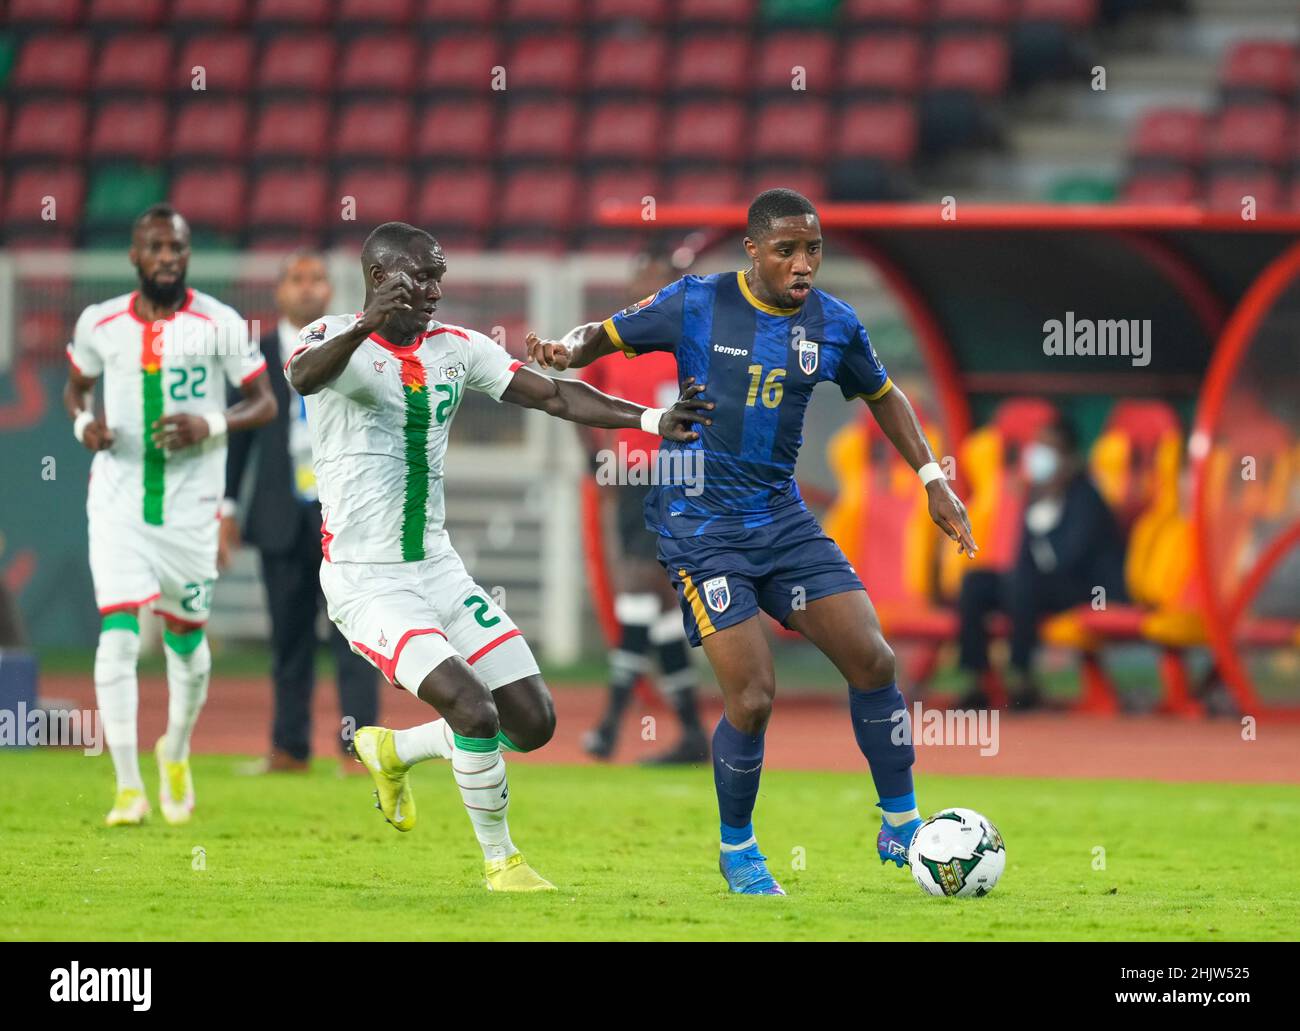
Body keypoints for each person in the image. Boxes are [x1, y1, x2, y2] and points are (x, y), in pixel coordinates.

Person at [526, 188, 978, 895]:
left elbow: (884, 393)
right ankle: (738, 849)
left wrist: (930, 476)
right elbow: (606, 333)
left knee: (874, 658)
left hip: (782, 519)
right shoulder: (697, 301)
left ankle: (901, 823)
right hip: (702, 528)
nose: (804, 265)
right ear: (754, 252)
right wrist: (564, 348)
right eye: (787, 250)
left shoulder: (836, 324)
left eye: (814, 250)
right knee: (754, 696)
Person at [285, 221, 708, 892]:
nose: (433, 290)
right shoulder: (331, 336)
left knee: (532, 720)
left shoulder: (457, 347)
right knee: (473, 708)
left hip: (437, 567)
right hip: (366, 579)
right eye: (418, 277)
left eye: (439, 277)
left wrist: (651, 421)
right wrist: (368, 322)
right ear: (377, 278)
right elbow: (304, 377)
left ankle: (393, 748)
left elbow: (552, 393)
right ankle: (501, 861)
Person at [63, 204, 277, 826]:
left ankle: (175, 750)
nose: (166, 259)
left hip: (190, 507)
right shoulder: (99, 322)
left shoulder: (220, 322)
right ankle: (128, 788)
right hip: (118, 499)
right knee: (118, 635)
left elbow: (262, 402)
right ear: (135, 255)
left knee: (187, 642)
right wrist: (84, 424)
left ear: (187, 255)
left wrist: (209, 423)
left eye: (176, 249)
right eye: (155, 248)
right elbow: (76, 386)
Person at [220, 251, 379, 774]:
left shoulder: (353, 350)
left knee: (355, 638)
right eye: (297, 280)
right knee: (288, 639)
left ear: (330, 292)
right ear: (279, 291)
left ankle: (359, 750)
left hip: (345, 512)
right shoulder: (255, 356)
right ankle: (289, 748)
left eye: (317, 280)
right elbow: (237, 439)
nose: (308, 289)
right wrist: (225, 508)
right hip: (279, 511)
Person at [579, 251, 708, 765]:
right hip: (632, 479)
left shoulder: (691, 344)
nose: (646, 291)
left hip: (678, 479)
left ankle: (610, 724)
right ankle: (692, 731)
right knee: (654, 607)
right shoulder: (616, 344)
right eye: (641, 281)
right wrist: (593, 458)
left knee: (641, 594)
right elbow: (580, 399)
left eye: (656, 282)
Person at [956, 415, 1127, 710]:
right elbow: (1024, 557)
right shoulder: (1032, 498)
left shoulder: (1086, 499)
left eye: (1050, 449)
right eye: (1038, 447)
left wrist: (1024, 570)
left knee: (1021, 583)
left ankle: (1023, 678)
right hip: (1032, 587)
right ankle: (979, 680)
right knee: (976, 583)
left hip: (1084, 588)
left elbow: (1068, 560)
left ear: (1071, 459)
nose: (1039, 457)